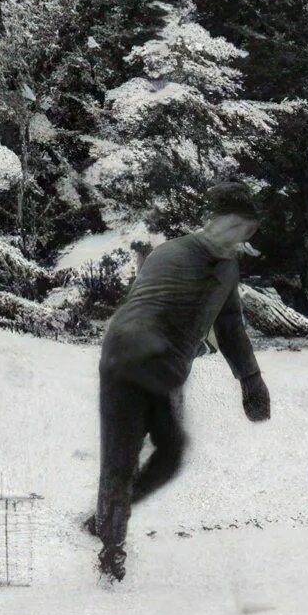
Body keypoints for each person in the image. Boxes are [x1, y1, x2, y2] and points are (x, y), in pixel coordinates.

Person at [90, 183, 273, 584]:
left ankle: (103, 523)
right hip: (131, 359)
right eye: (242, 228)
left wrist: (251, 380)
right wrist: (172, 351)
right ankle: (110, 554)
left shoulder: (225, 267)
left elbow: (230, 329)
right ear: (223, 222)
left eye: (250, 231)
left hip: (159, 367)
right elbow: (153, 307)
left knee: (170, 453)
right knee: (120, 463)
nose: (244, 238)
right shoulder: (174, 254)